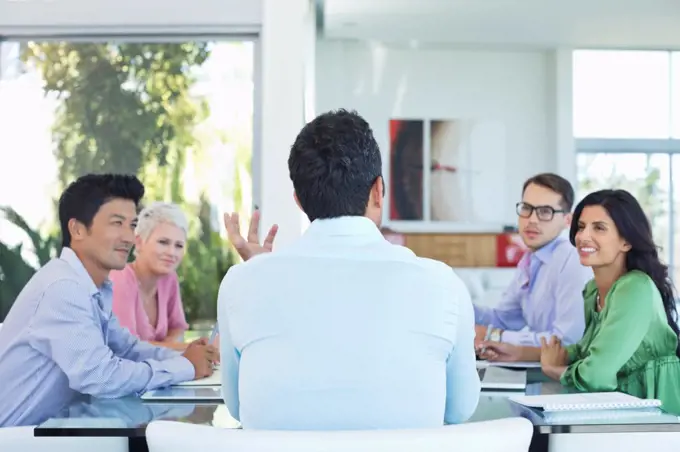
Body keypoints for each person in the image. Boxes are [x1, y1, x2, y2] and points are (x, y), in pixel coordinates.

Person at [218, 109, 481, 430]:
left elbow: (236, 407)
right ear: (378, 191)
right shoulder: (443, 285)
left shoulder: (241, 284)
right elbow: (460, 409)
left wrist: (259, 274)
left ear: (299, 200)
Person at [0, 174, 216, 427]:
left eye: (132, 225)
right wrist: (185, 366)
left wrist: (186, 357)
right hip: (17, 438)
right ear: (77, 229)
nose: (129, 237)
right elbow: (101, 377)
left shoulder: (93, 287)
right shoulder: (63, 288)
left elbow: (126, 348)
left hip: (55, 431)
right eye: (117, 223)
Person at [540, 189, 680, 403]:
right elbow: (587, 349)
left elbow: (594, 376)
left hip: (657, 423)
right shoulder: (593, 291)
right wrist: (517, 352)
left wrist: (553, 369)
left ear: (626, 242)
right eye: (581, 227)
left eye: (599, 228)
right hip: (619, 415)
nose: (583, 236)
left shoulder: (636, 288)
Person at [475, 173, 592, 362]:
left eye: (545, 212)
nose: (532, 220)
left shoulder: (572, 260)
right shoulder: (530, 259)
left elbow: (566, 341)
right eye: (527, 208)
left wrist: (495, 336)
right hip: (539, 371)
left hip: (566, 379)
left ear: (567, 221)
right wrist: (458, 305)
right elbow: (505, 319)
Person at [110, 202, 190, 350]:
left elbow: (178, 329)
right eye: (163, 242)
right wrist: (185, 348)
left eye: (179, 245)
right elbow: (126, 348)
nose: (172, 252)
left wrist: (174, 346)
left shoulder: (169, 279)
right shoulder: (120, 279)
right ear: (139, 242)